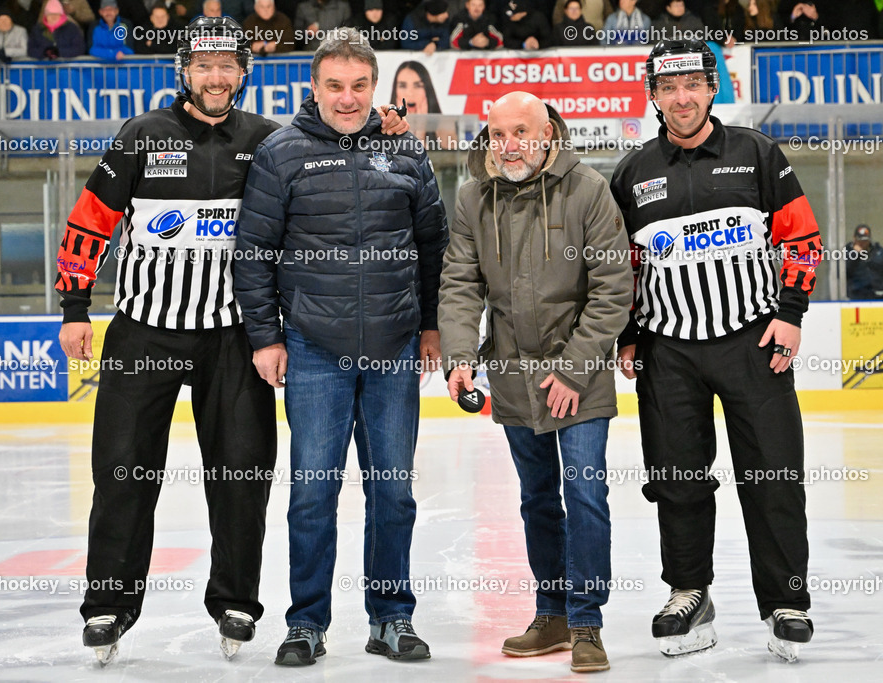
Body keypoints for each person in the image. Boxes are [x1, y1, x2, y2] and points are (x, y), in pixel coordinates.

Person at [56, 14, 409, 668]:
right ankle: (108, 603)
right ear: (184, 70)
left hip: (234, 336)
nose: (216, 77)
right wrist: (75, 306)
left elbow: (329, 150)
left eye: (228, 66)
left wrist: (381, 127)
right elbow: (89, 225)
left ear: (244, 72)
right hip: (144, 332)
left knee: (243, 474)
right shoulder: (141, 137)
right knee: (123, 471)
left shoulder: (267, 143)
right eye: (203, 65)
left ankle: (236, 599)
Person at [233, 26, 448, 667]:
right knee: (312, 493)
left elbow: (435, 251)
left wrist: (432, 328)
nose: (348, 99)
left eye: (359, 86)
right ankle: (306, 623)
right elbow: (254, 254)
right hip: (313, 348)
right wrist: (266, 336)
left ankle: (392, 618)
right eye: (335, 86)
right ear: (315, 86)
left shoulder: (406, 154)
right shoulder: (282, 153)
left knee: (393, 492)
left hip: (393, 346)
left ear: (373, 86)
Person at [610, 39, 820, 662]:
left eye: (693, 85)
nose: (681, 98)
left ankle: (787, 601)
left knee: (773, 473)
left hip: (752, 341)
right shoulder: (631, 172)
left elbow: (801, 234)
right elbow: (619, 269)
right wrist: (626, 336)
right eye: (668, 88)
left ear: (710, 89)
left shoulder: (756, 152)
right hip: (667, 349)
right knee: (677, 479)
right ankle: (689, 593)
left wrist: (791, 313)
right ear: (653, 95)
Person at [439, 91, 632, 674]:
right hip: (514, 375)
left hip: (581, 375)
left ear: (549, 132)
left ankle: (587, 622)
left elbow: (613, 287)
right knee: (537, 500)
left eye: (521, 132)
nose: (510, 145)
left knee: (585, 495)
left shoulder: (588, 190)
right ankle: (551, 613)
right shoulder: (474, 197)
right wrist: (457, 354)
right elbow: (460, 283)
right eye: (498, 135)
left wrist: (573, 369)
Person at [845, 225, 883, 300]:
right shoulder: (846, 252)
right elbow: (843, 272)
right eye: (860, 240)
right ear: (854, 238)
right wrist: (855, 254)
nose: (862, 243)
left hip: (877, 295)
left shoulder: (878, 251)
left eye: (865, 240)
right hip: (855, 295)